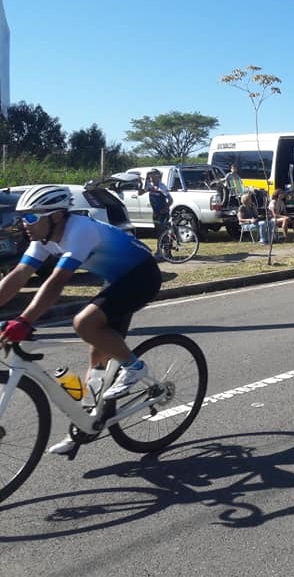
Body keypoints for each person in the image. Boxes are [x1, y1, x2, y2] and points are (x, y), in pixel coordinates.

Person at [0, 185, 161, 456]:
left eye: (30, 218)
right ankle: (86, 425)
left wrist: (25, 320)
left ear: (56, 216)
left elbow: (56, 282)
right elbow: (19, 274)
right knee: (96, 360)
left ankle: (135, 367)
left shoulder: (80, 230)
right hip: (117, 280)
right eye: (21, 218)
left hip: (142, 276)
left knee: (84, 323)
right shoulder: (43, 239)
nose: (23, 224)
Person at [139, 168, 172, 256]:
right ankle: (159, 250)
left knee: (164, 232)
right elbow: (140, 193)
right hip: (156, 213)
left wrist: (165, 208)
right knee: (158, 232)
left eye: (153, 174)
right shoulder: (149, 186)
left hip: (163, 213)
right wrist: (142, 183)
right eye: (150, 175)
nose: (151, 176)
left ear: (158, 176)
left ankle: (168, 252)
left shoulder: (162, 187)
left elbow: (170, 200)